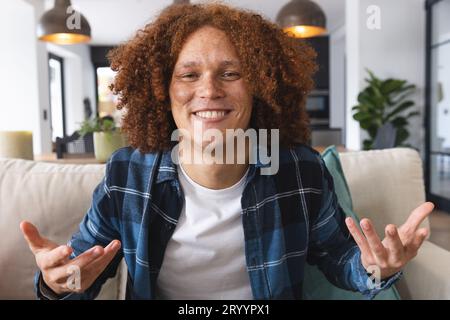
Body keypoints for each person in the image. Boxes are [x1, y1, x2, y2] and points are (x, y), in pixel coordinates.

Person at [20, 3, 433, 300]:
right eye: (189, 74)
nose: (210, 90)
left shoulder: (299, 170)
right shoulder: (126, 175)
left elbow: (340, 261)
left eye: (231, 73)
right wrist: (58, 285)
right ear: (164, 93)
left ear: (259, 88)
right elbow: (80, 277)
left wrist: (377, 268)